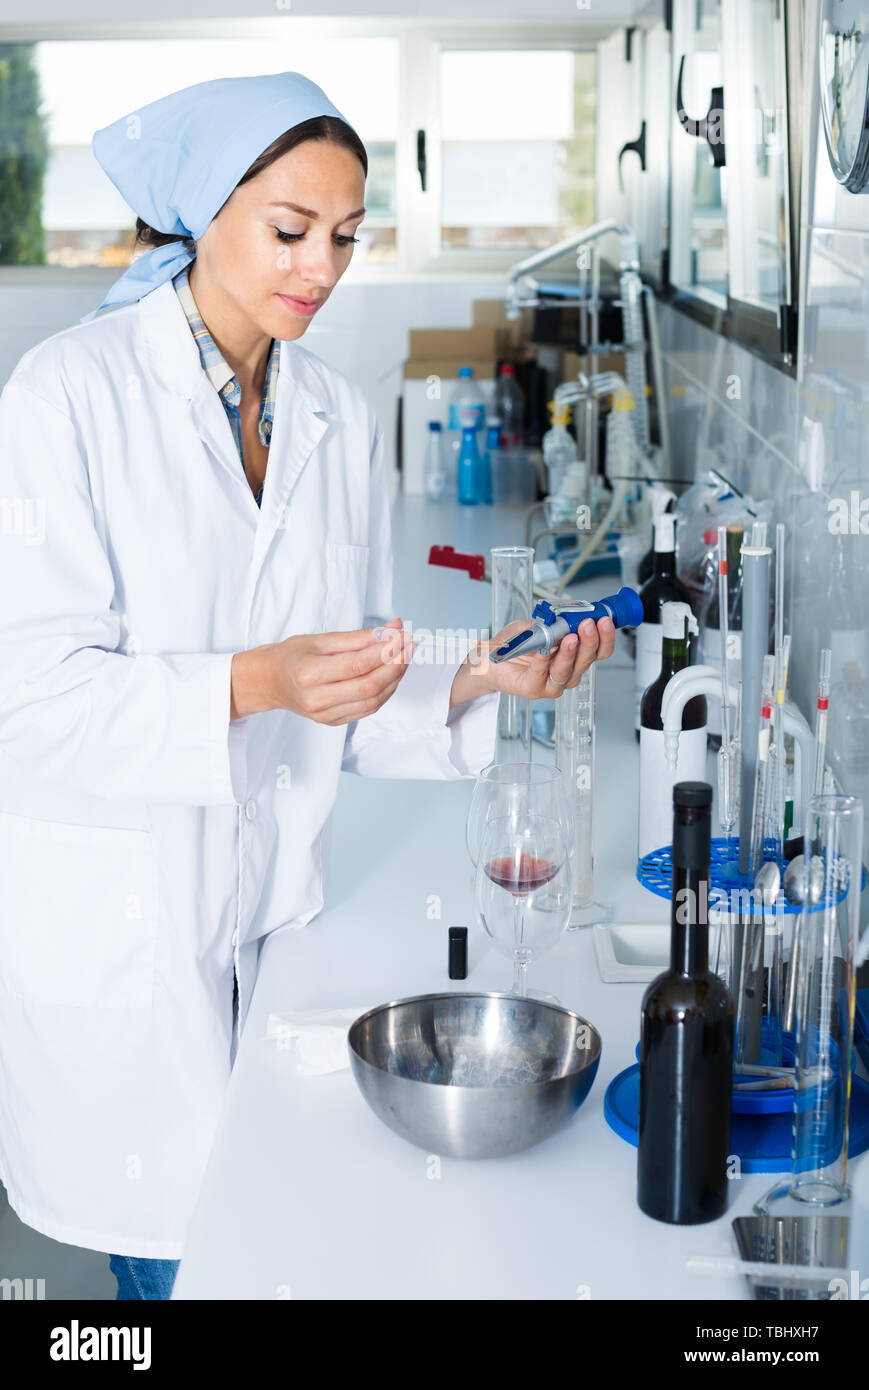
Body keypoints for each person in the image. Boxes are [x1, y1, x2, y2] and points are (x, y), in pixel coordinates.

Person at [0, 72, 616, 1300]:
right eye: (291, 231)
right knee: (174, 1271)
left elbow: (343, 691)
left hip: (278, 928)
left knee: (279, 1247)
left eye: (345, 236)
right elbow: (34, 705)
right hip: (133, 926)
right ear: (201, 215)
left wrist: (480, 682)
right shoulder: (69, 395)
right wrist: (250, 682)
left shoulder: (333, 409)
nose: (322, 269)